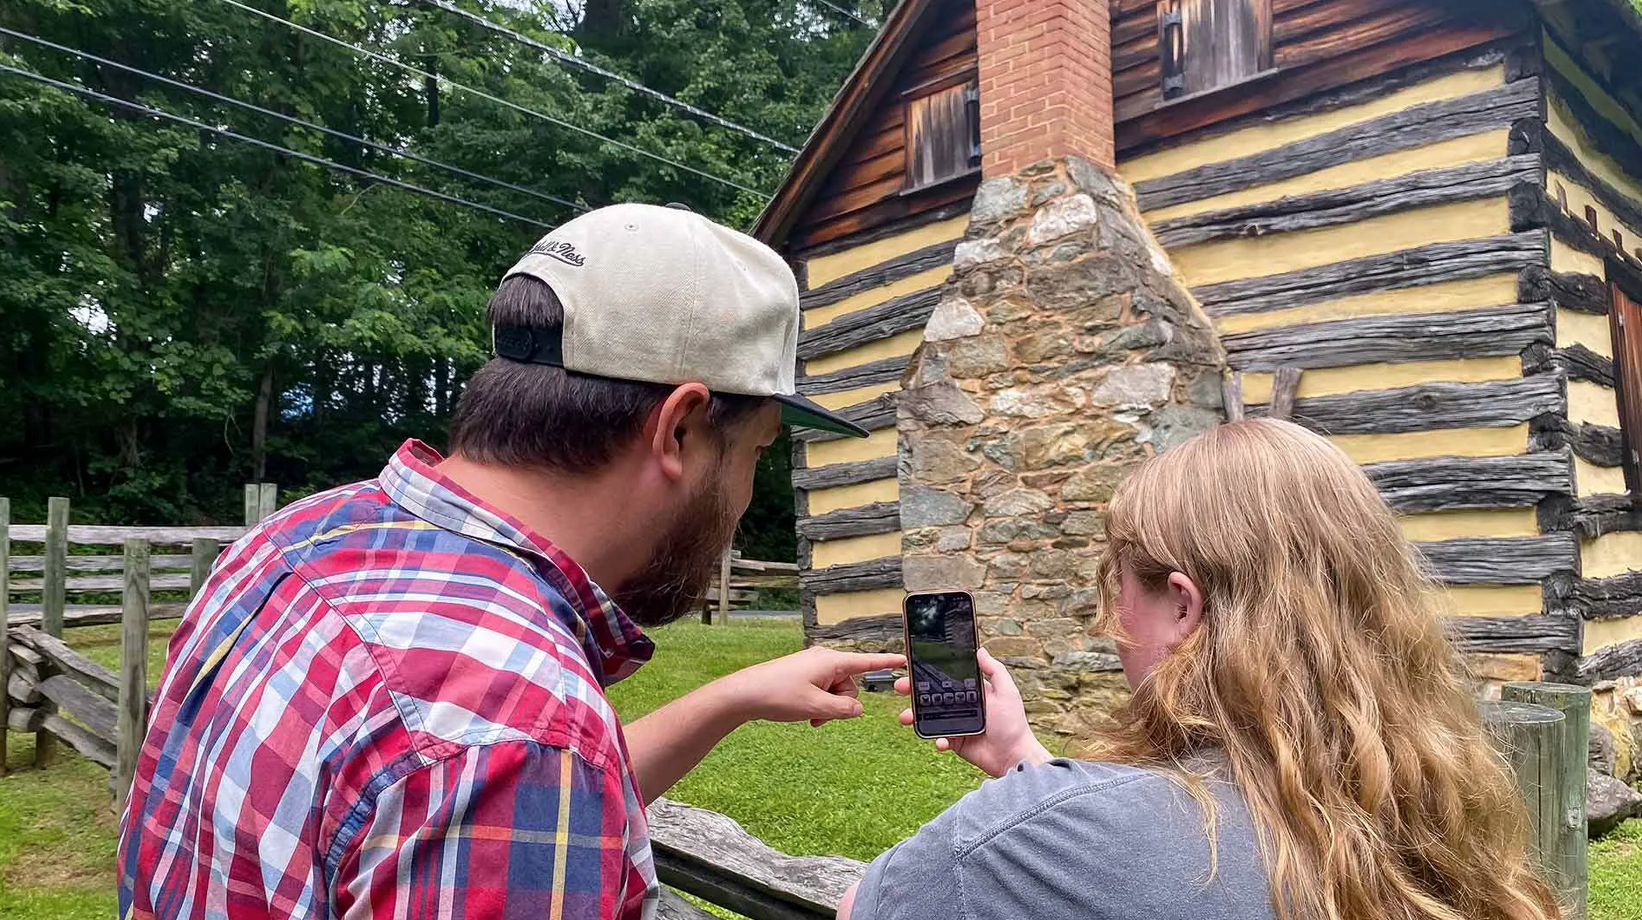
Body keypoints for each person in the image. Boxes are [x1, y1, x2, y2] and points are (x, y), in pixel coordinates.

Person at [116, 203, 903, 920]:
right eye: (757, 452)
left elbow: (446, 785)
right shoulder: (517, 740)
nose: (740, 503)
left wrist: (726, 699)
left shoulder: (298, 540)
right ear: (681, 431)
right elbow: (504, 758)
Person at [841, 419, 1560, 920]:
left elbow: (864, 909)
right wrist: (1024, 760)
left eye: (1112, 585)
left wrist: (1039, 802)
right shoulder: (1426, 817)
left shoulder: (1016, 842)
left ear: (1182, 607)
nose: (1107, 623)